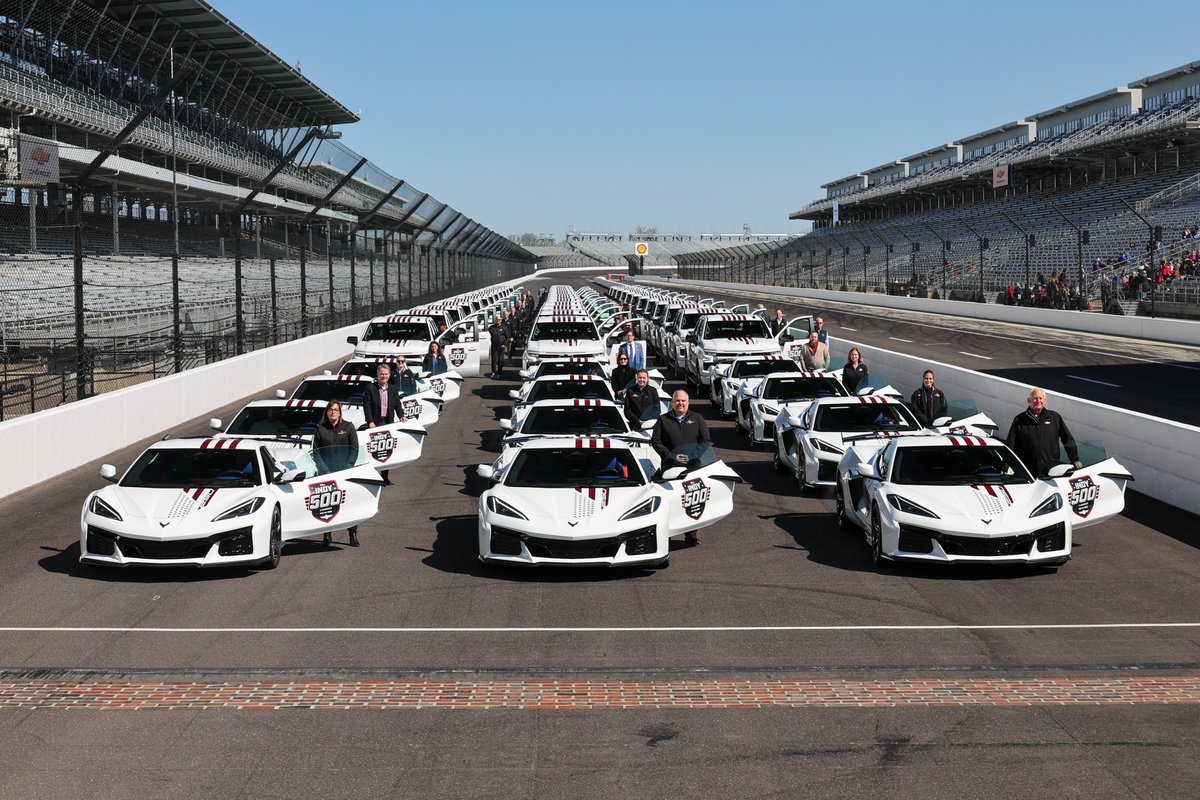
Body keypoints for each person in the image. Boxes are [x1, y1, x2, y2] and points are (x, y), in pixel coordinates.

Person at [650, 390, 710, 545]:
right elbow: (655, 441)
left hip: (692, 467)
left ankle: (691, 534)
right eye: (677, 401)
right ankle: (667, 533)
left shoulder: (697, 418)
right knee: (670, 500)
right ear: (672, 402)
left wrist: (692, 456)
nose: (680, 403)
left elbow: (705, 441)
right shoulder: (663, 419)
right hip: (670, 466)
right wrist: (670, 455)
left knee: (691, 500)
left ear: (688, 402)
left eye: (683, 401)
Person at [313, 401, 360, 547]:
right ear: (327, 412)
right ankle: (327, 534)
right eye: (331, 410)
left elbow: (354, 449)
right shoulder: (320, 429)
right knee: (327, 505)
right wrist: (325, 470)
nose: (333, 412)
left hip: (345, 472)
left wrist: (347, 467)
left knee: (349, 504)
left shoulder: (348, 427)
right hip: (326, 473)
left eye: (336, 410)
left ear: (340, 412)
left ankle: (352, 533)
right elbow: (316, 453)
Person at [1005, 387, 1082, 477]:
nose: (1038, 401)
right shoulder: (1019, 420)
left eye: (1040, 398)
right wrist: (1005, 466)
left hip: (1052, 471)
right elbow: (1011, 445)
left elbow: (1068, 439)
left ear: (1044, 401)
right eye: (1035, 398)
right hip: (1028, 472)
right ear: (1029, 400)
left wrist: (1075, 459)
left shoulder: (1054, 417)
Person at [363, 363, 403, 485]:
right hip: (375, 423)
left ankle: (385, 477)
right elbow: (367, 406)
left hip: (388, 422)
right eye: (382, 374)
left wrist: (401, 415)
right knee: (375, 451)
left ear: (389, 375)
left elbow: (397, 404)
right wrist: (370, 421)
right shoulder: (370, 388)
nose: (384, 376)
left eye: (386, 374)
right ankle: (375, 477)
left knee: (386, 450)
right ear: (378, 375)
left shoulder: (393, 389)